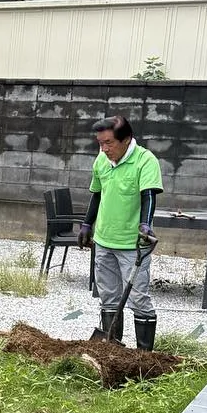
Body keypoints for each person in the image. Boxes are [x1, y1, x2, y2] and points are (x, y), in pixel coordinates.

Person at [77, 114, 163, 350]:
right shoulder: (102, 161)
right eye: (100, 143)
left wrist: (145, 225)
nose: (104, 149)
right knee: (108, 298)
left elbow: (148, 195)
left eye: (109, 143)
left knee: (138, 299)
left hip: (132, 245)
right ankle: (112, 351)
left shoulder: (145, 161)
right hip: (104, 241)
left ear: (126, 140)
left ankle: (144, 356)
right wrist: (87, 224)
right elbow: (97, 194)